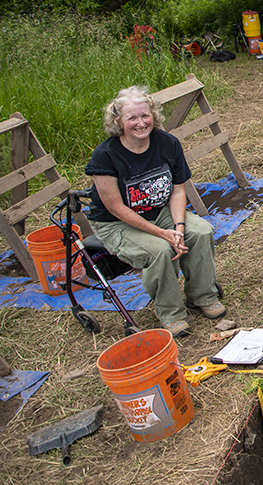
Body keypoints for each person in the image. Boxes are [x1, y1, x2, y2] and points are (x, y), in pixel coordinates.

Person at [85, 86, 223, 338]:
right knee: (160, 249)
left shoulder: (167, 143)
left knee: (201, 230)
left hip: (159, 210)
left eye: (145, 115)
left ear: (154, 115)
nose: (141, 123)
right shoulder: (105, 156)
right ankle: (172, 313)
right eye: (132, 118)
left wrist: (179, 228)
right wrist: (162, 234)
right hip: (117, 222)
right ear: (118, 122)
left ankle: (203, 296)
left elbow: (178, 191)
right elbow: (115, 207)